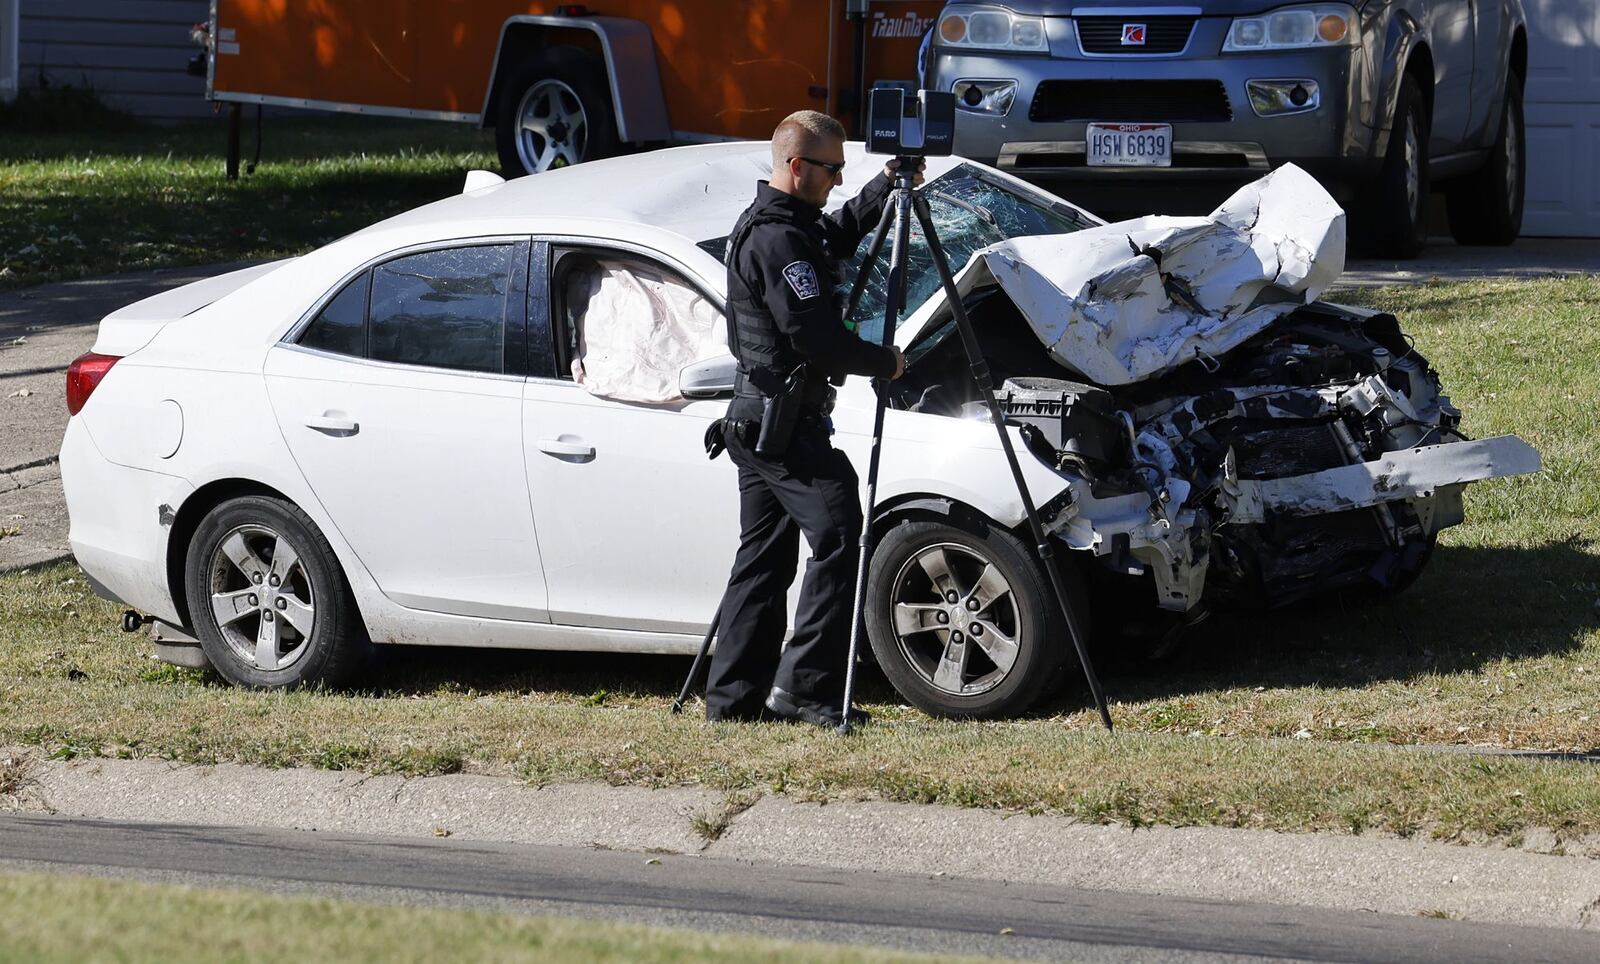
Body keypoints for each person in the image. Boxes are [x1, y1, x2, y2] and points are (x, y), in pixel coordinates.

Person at [705, 110, 923, 728]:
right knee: (839, 535)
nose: (838, 181)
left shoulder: (790, 224)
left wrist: (886, 186)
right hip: (780, 427)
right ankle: (804, 689)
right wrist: (887, 362)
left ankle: (733, 700)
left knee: (764, 560)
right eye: (832, 170)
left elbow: (835, 235)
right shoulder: (775, 239)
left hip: (760, 422)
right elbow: (816, 338)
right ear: (796, 166)